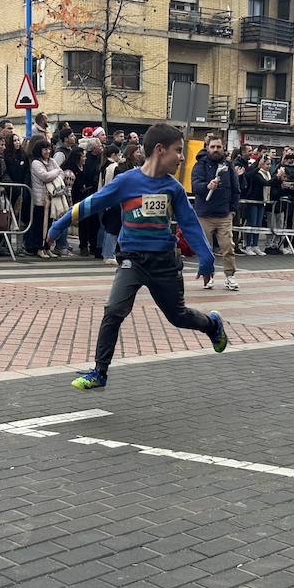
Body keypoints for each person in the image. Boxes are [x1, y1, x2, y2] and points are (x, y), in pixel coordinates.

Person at [47, 123, 228, 391]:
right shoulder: (127, 181)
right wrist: (59, 224)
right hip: (132, 259)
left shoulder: (173, 188)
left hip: (164, 262)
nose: (181, 157)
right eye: (178, 151)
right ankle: (99, 372)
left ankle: (212, 325)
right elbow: (92, 203)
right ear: (159, 150)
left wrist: (206, 258)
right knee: (114, 310)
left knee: (177, 316)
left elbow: (189, 223)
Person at [190, 132, 241, 290]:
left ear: (223, 147)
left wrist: (232, 209)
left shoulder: (228, 165)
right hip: (204, 214)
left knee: (228, 247)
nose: (216, 149)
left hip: (224, 214)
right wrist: (207, 186)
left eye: (219, 146)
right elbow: (195, 186)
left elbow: (235, 189)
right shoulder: (200, 165)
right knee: (206, 248)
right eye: (213, 147)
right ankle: (208, 276)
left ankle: (230, 276)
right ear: (207, 147)